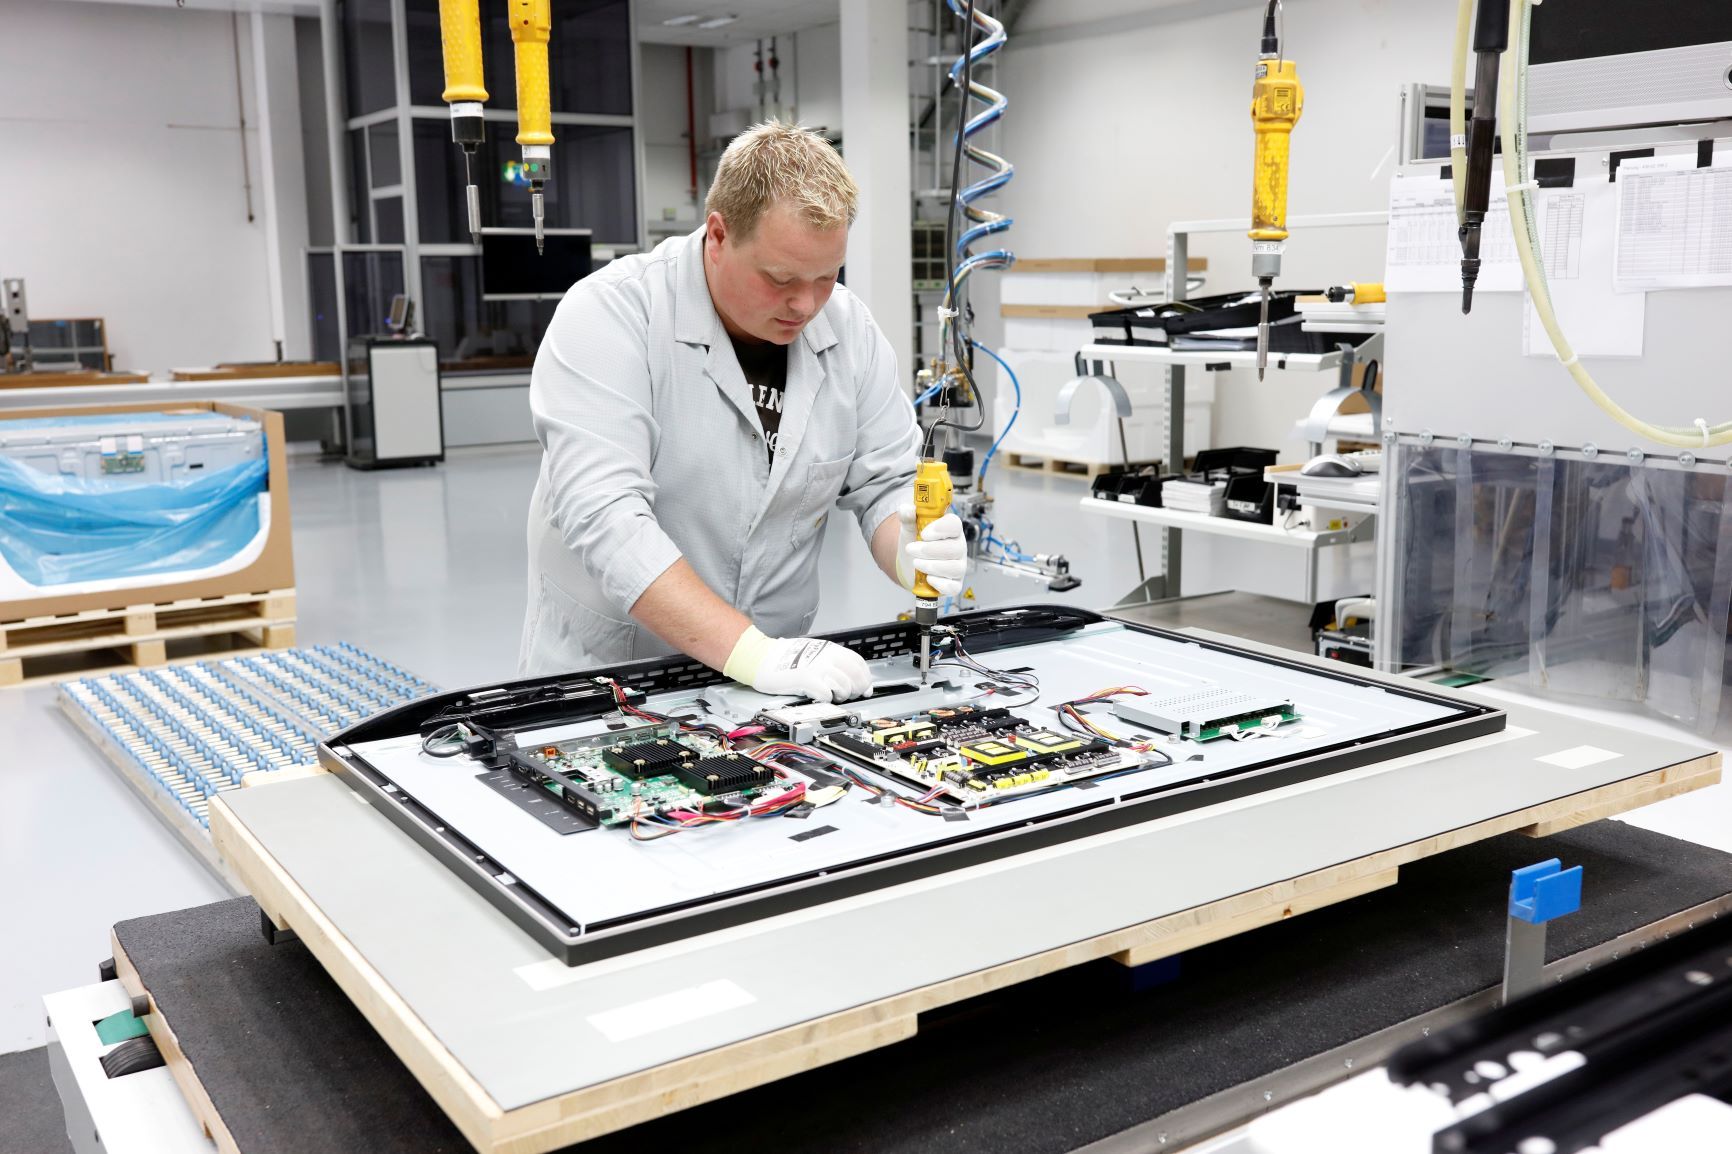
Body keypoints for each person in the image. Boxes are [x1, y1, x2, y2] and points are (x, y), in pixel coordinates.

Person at [518, 122, 967, 702]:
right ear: (718, 235)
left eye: (827, 277)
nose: (805, 304)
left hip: (775, 685)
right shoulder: (610, 317)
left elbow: (885, 483)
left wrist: (909, 547)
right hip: (614, 677)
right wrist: (752, 653)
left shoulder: (848, 331)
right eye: (780, 278)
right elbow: (608, 521)